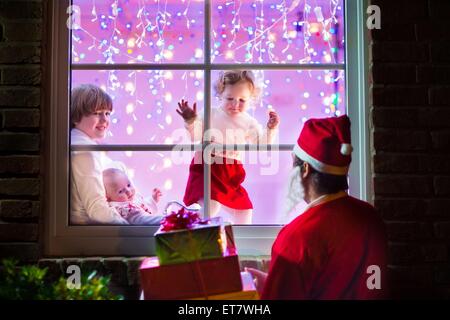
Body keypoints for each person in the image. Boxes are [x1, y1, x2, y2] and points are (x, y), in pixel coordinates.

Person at [246, 115, 388, 299]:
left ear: (305, 169)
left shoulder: (297, 238)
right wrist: (273, 282)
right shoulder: (371, 217)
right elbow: (360, 283)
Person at [176, 70, 280, 224]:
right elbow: (196, 137)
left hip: (231, 172)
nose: (235, 104)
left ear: (251, 100)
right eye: (230, 98)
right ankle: (194, 233)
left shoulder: (248, 122)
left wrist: (271, 128)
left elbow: (261, 144)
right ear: (220, 95)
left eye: (242, 100)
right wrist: (191, 121)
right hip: (208, 167)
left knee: (244, 210)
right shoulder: (211, 114)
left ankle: (240, 241)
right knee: (211, 206)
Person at [70, 84, 163, 225]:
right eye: (97, 113)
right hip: (97, 231)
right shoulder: (85, 151)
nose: (104, 120)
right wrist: (128, 230)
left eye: (107, 113)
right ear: (76, 117)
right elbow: (96, 207)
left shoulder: (84, 145)